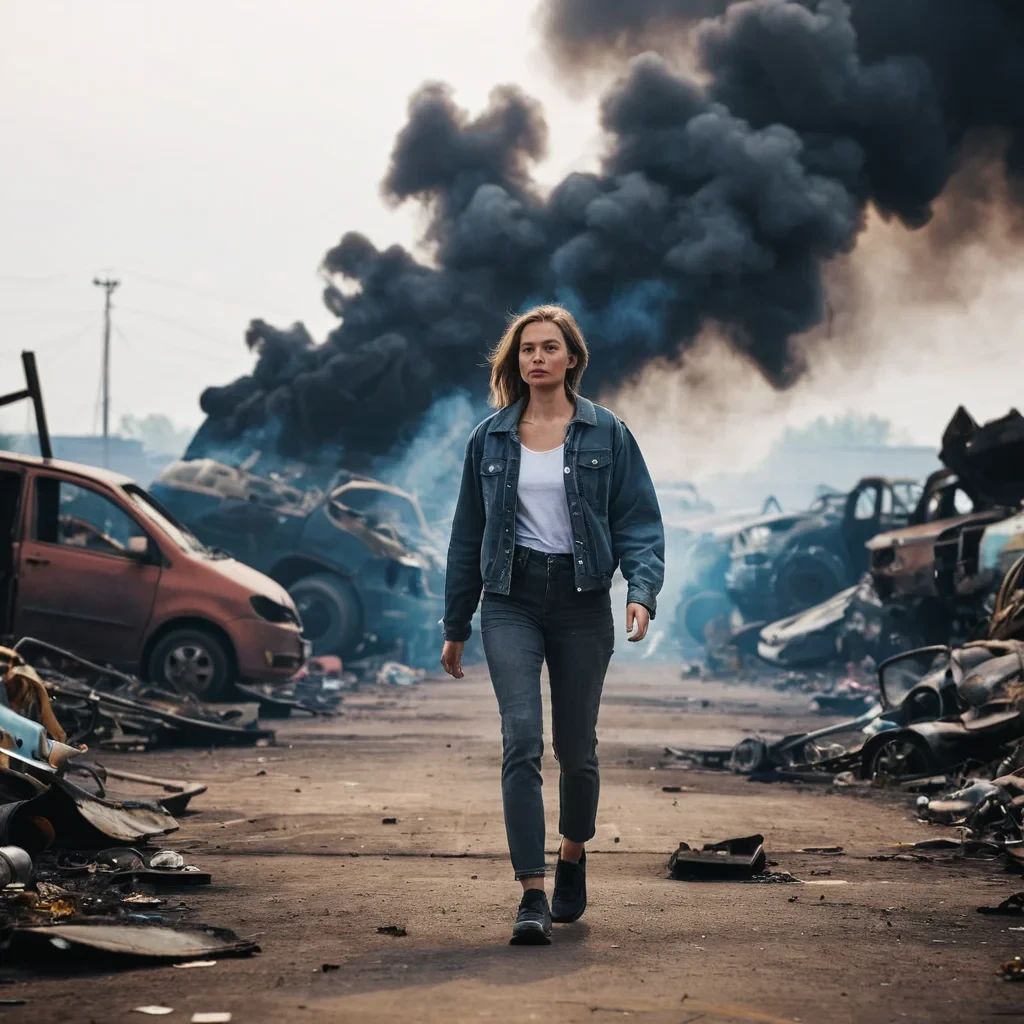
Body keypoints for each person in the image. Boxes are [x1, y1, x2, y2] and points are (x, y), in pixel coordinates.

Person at [440, 304, 665, 945]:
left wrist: (640, 594)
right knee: (520, 738)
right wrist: (456, 621)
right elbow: (467, 537)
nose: (536, 357)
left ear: (572, 359)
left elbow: (639, 522)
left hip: (581, 600)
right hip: (509, 599)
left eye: (549, 347)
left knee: (578, 749)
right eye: (526, 349)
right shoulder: (488, 439)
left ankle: (572, 856)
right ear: (516, 361)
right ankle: (532, 893)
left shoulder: (608, 434)